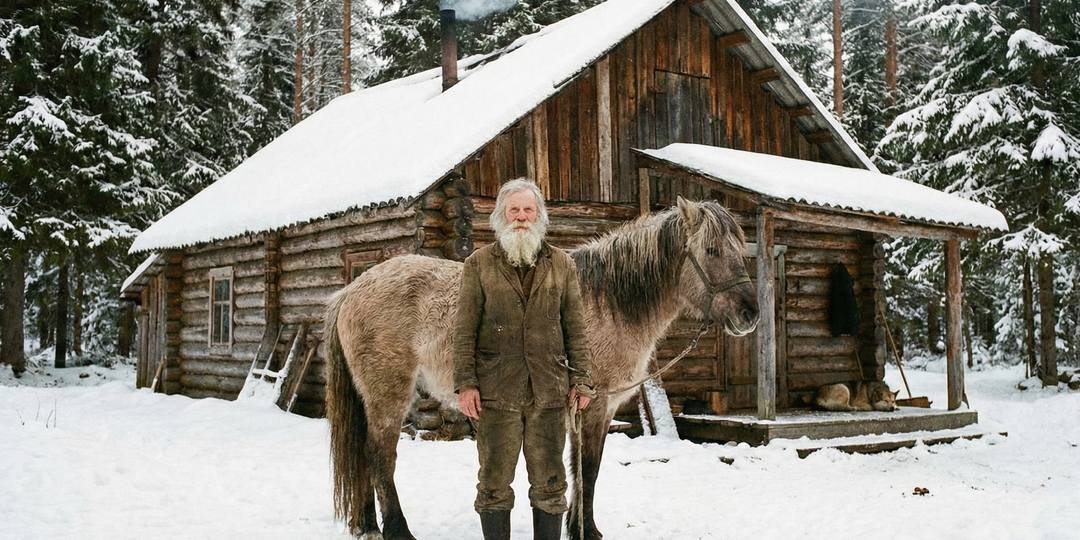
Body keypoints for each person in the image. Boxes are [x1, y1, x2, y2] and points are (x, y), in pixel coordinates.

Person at [454, 178, 595, 540]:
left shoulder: (562, 264)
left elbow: (575, 327)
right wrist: (466, 383)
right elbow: (464, 330)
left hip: (549, 391)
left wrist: (582, 380)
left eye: (528, 209)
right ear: (501, 215)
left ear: (539, 215)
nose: (521, 217)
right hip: (496, 392)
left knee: (550, 483)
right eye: (513, 210)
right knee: (494, 483)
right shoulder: (479, 264)